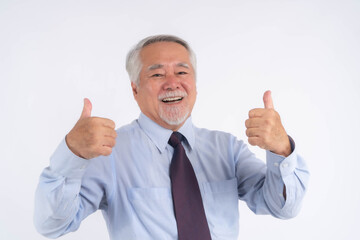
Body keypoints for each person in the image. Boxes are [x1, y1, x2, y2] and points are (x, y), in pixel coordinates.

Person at [34, 35, 309, 240]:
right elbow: (52, 224)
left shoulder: (227, 149)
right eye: (156, 73)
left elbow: (283, 207)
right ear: (135, 89)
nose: (172, 82)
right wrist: (72, 154)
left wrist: (281, 149)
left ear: (195, 85)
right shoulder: (109, 153)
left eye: (181, 71)